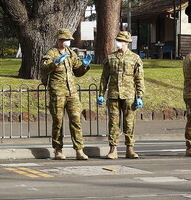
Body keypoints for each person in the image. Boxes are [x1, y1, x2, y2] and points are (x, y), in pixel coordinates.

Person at [41, 29, 92, 160]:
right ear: (59, 40)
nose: (67, 42)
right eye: (64, 40)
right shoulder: (51, 53)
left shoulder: (71, 54)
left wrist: (84, 66)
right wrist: (55, 63)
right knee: (58, 121)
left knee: (76, 120)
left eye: (68, 40)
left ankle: (79, 150)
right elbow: (44, 69)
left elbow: (78, 71)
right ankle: (58, 150)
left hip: (72, 92)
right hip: (57, 93)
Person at [98, 31, 145, 159]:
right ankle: (113, 149)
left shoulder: (135, 58)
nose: (118, 42)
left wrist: (139, 96)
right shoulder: (110, 58)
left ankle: (130, 148)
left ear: (127, 43)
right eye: (117, 40)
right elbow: (104, 78)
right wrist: (101, 94)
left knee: (129, 123)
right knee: (113, 123)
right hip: (113, 95)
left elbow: (139, 79)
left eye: (121, 40)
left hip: (129, 95)